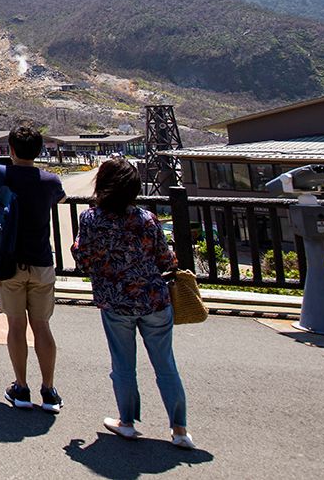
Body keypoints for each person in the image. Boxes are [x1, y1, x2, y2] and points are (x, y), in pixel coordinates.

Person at [72, 157, 194, 449]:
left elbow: (83, 258)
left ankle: (126, 422)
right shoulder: (147, 219)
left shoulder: (91, 219)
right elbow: (166, 260)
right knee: (165, 364)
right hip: (154, 299)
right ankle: (179, 429)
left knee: (123, 364)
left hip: (115, 301)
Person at [0, 124, 65, 413]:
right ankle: (49, 391)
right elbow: (62, 198)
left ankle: (21, 388)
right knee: (42, 326)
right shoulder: (50, 180)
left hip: (9, 264)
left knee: (16, 326)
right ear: (39, 150)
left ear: (11, 149)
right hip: (41, 262)